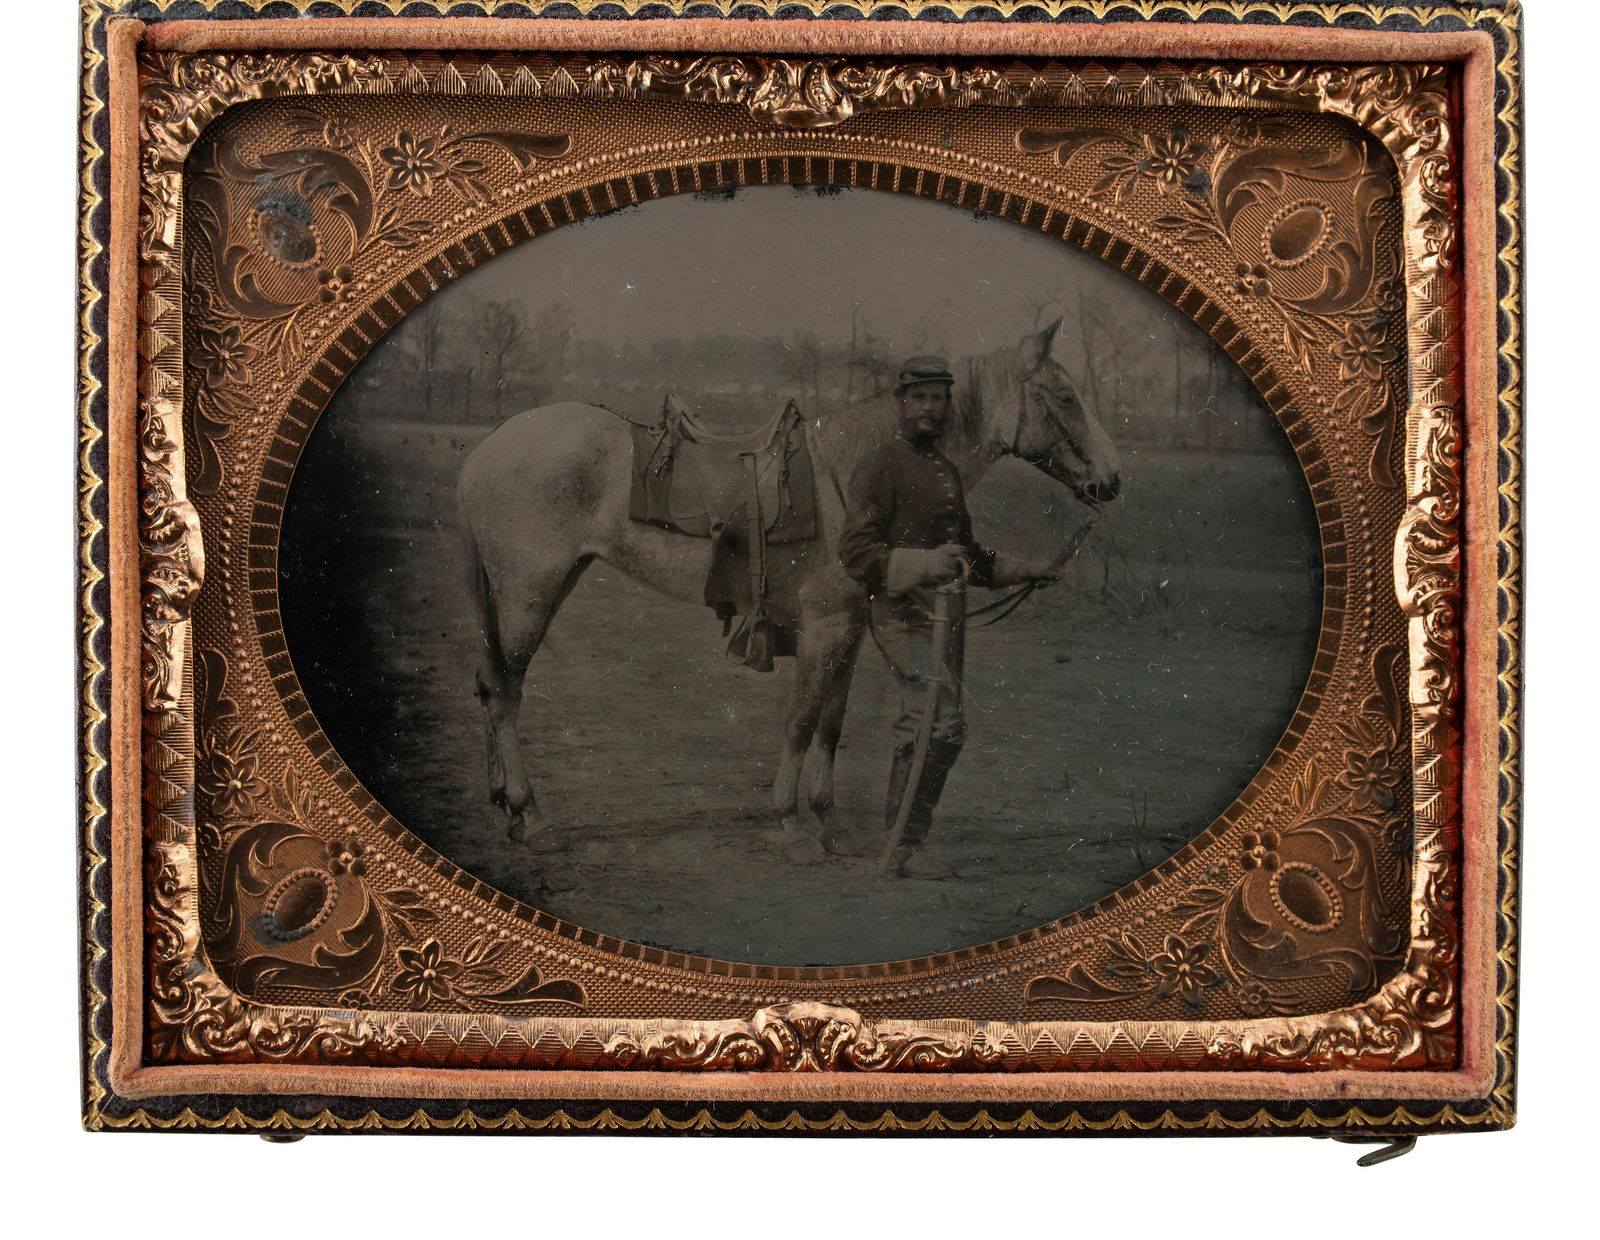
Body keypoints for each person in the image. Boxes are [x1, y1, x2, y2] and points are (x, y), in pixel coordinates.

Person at [838, 356, 1052, 879]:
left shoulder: (947, 470)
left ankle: (908, 840)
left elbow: (964, 553)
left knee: (942, 725)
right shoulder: (881, 463)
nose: (930, 407)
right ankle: (905, 846)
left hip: (946, 616)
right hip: (902, 613)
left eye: (938, 398)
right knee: (938, 721)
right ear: (902, 403)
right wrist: (920, 563)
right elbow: (855, 552)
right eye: (920, 397)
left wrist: (1023, 570)